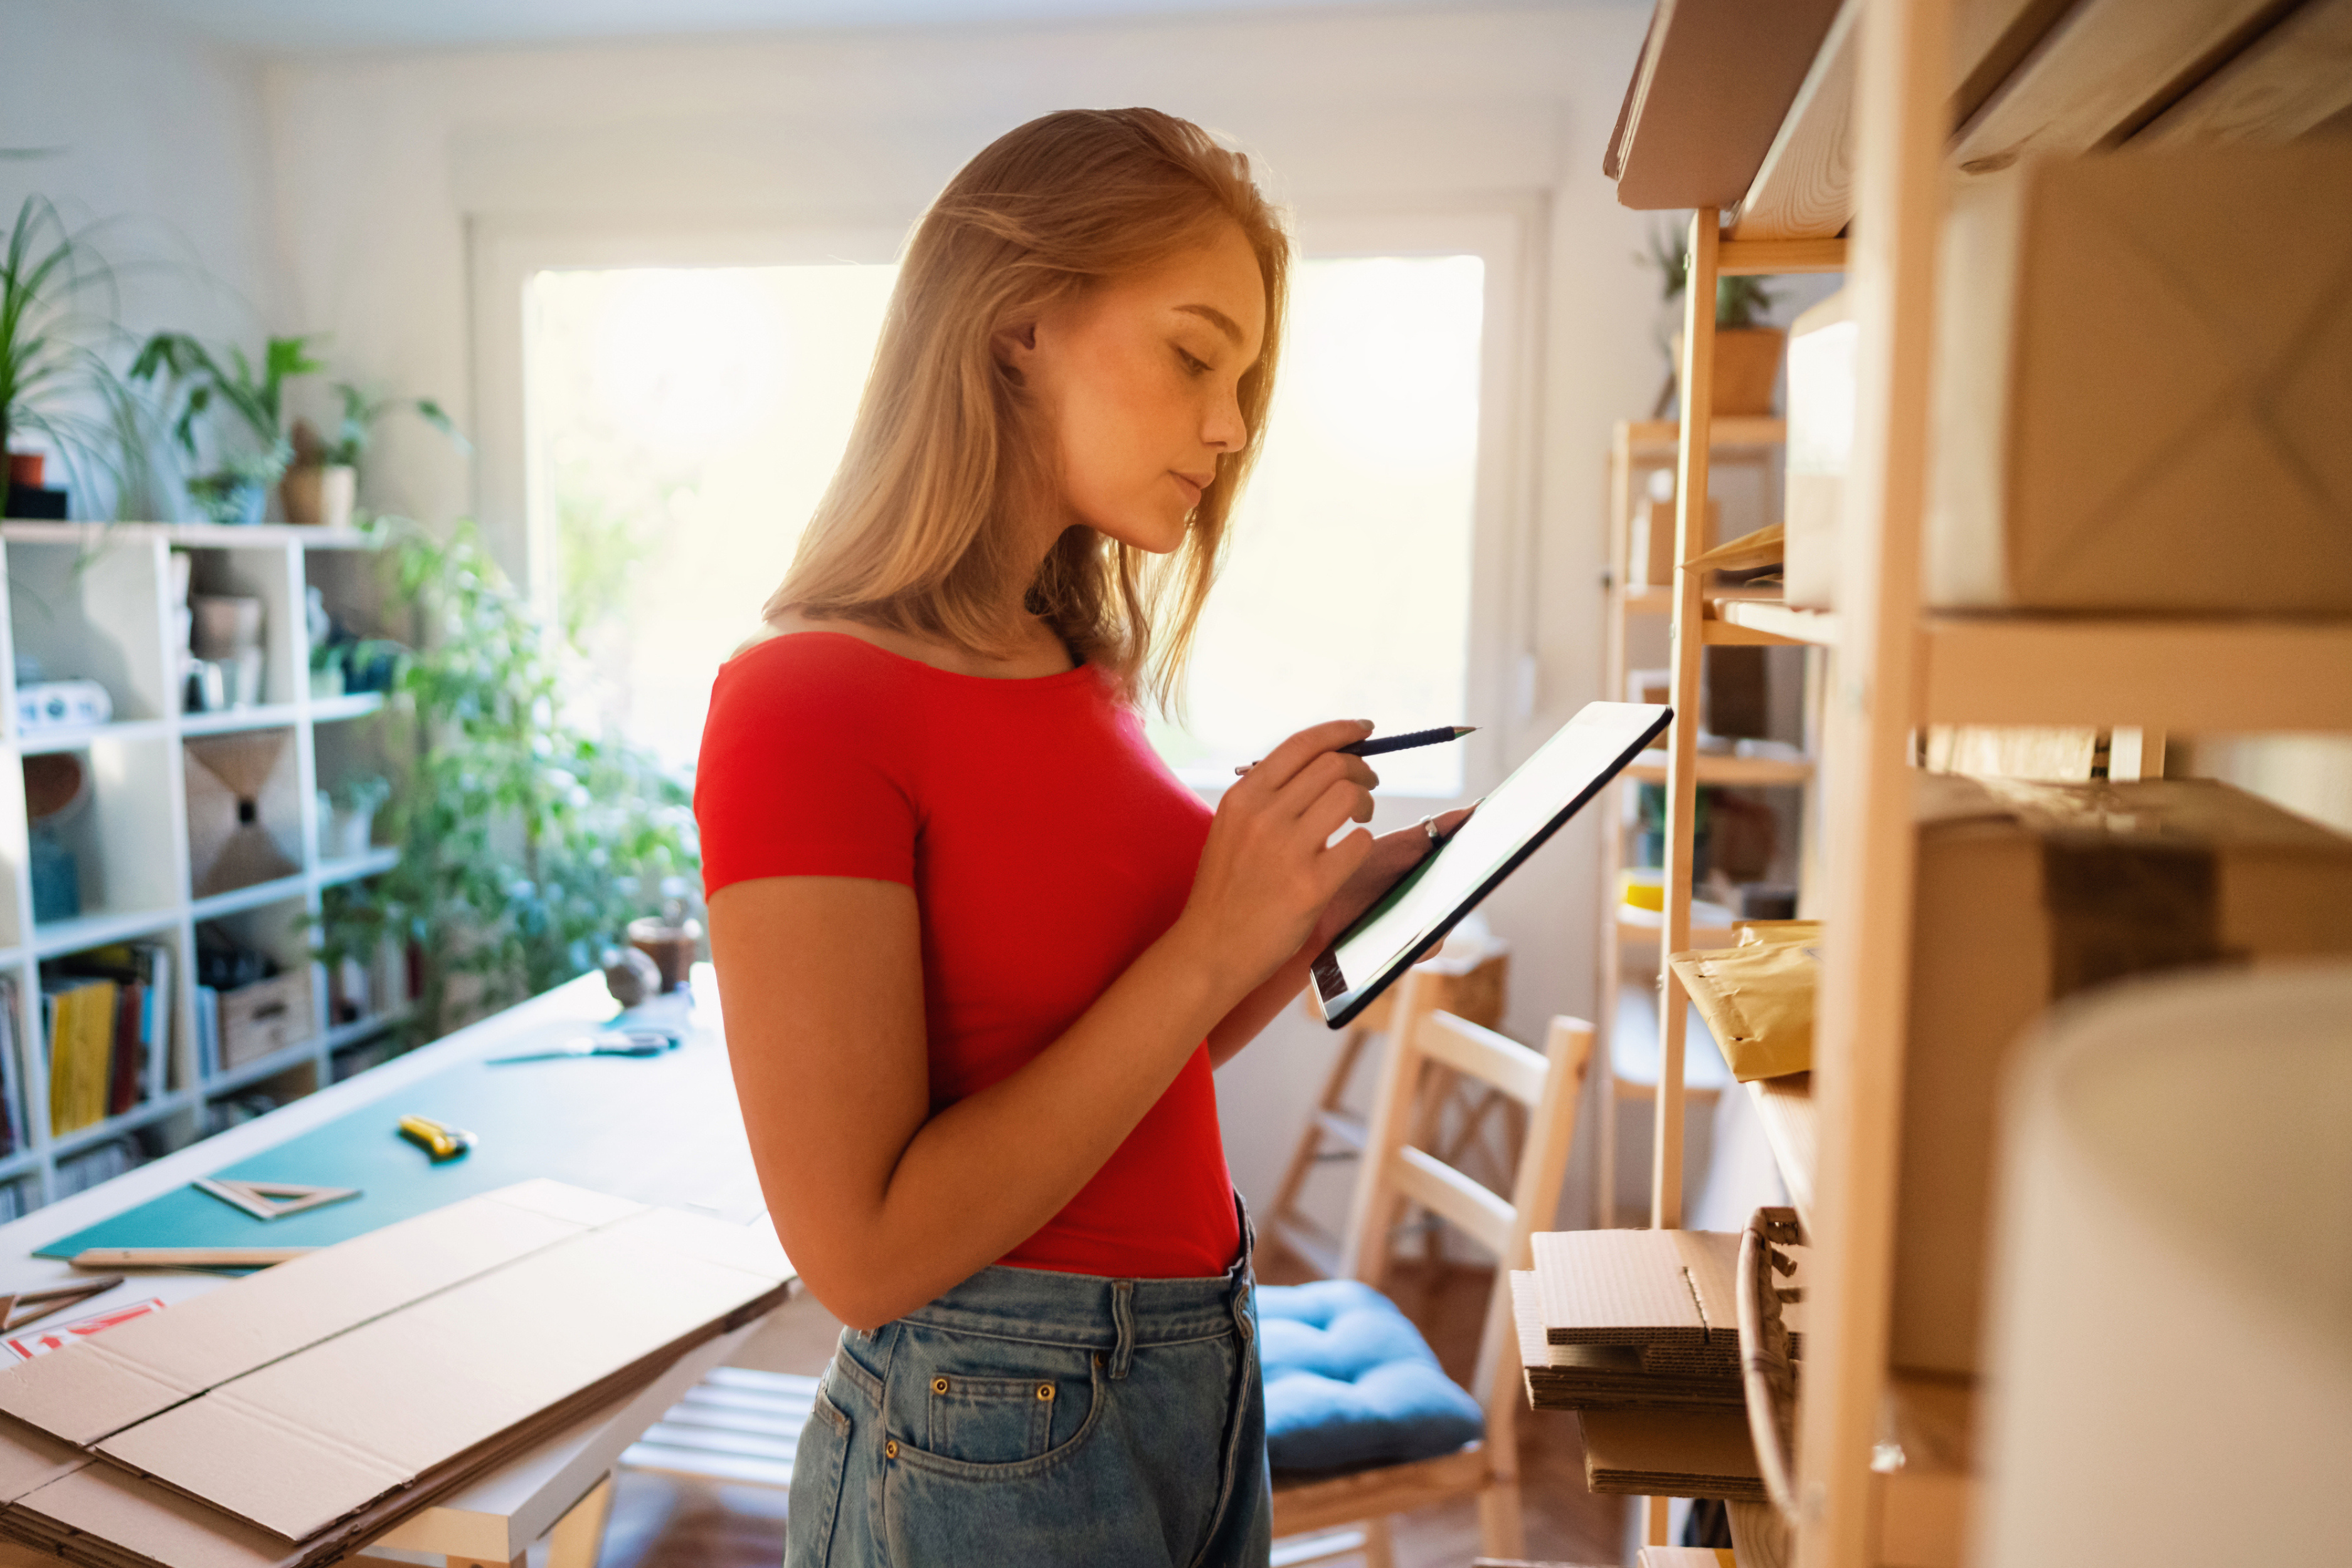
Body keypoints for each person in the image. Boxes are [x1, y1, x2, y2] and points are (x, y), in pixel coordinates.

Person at [696, 107, 1467, 1568]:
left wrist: (1306, 913)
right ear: (1014, 328)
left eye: (1242, 380)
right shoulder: (801, 700)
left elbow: (1120, 1046)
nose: (1231, 425)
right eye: (1194, 355)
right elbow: (858, 1252)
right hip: (993, 1424)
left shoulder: (1071, 661)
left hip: (1190, 1370)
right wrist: (1211, 943)